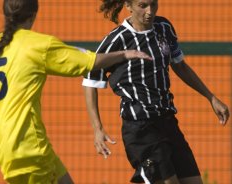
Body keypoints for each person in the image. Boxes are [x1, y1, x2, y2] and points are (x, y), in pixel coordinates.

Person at [0, 0, 153, 184]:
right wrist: (125, 53)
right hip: (27, 144)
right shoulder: (38, 45)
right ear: (33, 14)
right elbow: (90, 61)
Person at [82, 0, 230, 184]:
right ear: (128, 6)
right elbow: (90, 80)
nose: (149, 11)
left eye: (153, 4)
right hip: (140, 128)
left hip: (167, 121)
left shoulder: (164, 27)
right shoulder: (117, 39)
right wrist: (97, 129)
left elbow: (180, 65)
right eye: (142, 5)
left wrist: (211, 98)